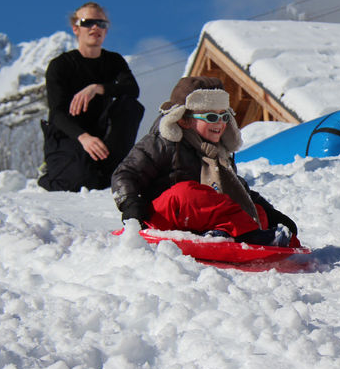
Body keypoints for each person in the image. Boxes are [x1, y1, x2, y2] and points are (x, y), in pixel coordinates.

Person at [111, 76, 298, 246]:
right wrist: (131, 208)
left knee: (255, 211)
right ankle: (248, 235)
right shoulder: (162, 143)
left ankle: (223, 233)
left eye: (224, 116)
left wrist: (272, 215)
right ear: (183, 120)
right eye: (210, 116)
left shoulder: (219, 154)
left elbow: (238, 188)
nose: (220, 123)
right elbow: (126, 174)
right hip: (160, 217)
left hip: (198, 222)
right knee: (186, 193)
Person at [38, 2, 144, 192]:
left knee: (130, 105)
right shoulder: (60, 65)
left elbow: (132, 90)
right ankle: (52, 173)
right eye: (88, 22)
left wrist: (97, 88)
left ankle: (115, 168)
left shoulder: (113, 61)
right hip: (69, 136)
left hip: (101, 135)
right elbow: (57, 114)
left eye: (101, 24)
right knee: (79, 184)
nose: (95, 27)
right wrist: (84, 137)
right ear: (76, 28)